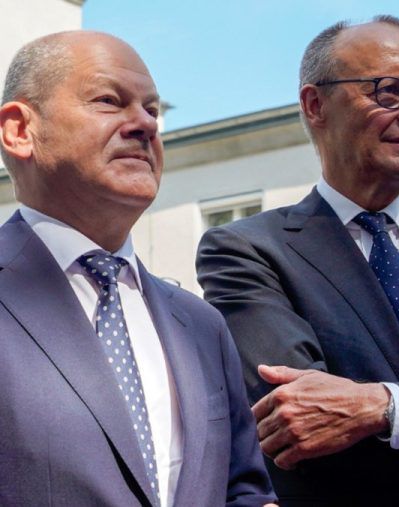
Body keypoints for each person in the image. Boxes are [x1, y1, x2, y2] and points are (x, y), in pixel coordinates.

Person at [0, 31, 275, 506]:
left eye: (152, 110)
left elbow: (242, 487)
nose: (144, 124)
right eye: (109, 101)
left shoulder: (201, 325)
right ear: (20, 130)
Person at [195, 16, 399, 506]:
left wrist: (381, 406)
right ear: (316, 105)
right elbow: (301, 419)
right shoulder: (246, 251)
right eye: (390, 90)